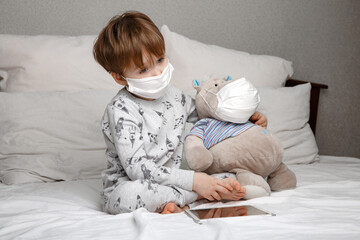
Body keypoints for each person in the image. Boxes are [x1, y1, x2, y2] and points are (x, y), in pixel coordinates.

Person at [93, 11, 267, 214]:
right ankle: (201, 194)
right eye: (143, 70)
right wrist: (195, 182)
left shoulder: (173, 95)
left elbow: (208, 115)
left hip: (174, 180)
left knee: (233, 176)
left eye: (159, 60)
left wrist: (247, 119)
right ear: (120, 78)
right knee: (129, 196)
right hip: (133, 184)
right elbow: (137, 169)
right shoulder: (121, 110)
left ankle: (181, 198)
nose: (158, 72)